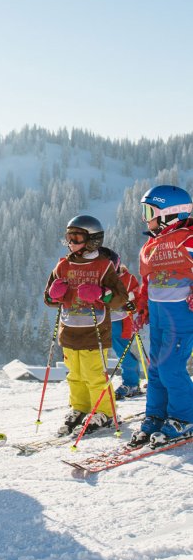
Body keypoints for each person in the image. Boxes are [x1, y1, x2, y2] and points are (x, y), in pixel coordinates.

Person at [44, 215, 128, 436]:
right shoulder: (63, 265)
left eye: (77, 237)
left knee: (94, 375)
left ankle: (105, 413)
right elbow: (49, 298)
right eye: (68, 237)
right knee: (74, 375)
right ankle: (80, 407)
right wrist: (54, 295)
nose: (71, 242)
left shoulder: (103, 266)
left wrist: (101, 294)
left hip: (94, 333)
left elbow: (120, 298)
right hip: (69, 331)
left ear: (93, 240)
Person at [130, 185, 193, 447]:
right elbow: (148, 282)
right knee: (155, 368)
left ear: (171, 214)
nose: (146, 218)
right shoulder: (150, 246)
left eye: (150, 211)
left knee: (170, 368)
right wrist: (142, 307)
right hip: (157, 317)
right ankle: (157, 413)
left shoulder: (188, 240)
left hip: (181, 318)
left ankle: (184, 418)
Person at [99, 248, 142, 400]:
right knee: (101, 352)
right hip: (103, 319)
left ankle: (130, 383)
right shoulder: (101, 278)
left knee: (122, 351)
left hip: (122, 320)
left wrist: (132, 304)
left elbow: (138, 295)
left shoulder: (127, 278)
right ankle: (98, 385)